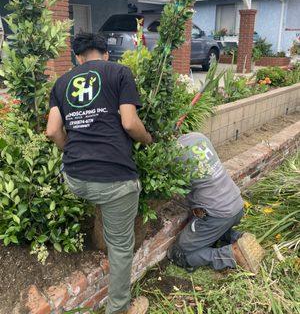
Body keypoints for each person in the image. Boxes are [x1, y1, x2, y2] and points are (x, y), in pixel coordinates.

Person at [46, 33, 151, 314]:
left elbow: (52, 131)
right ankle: (118, 309)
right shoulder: (119, 72)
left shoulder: (61, 83)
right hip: (114, 180)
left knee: (101, 196)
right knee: (120, 245)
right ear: (106, 54)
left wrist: (72, 152)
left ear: (77, 58)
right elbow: (129, 122)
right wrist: (149, 139)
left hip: (75, 178)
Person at [167, 132, 265, 274]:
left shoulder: (172, 152)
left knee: (180, 253)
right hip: (236, 204)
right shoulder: (198, 137)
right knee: (211, 234)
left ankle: (232, 255)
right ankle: (238, 238)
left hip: (216, 215)